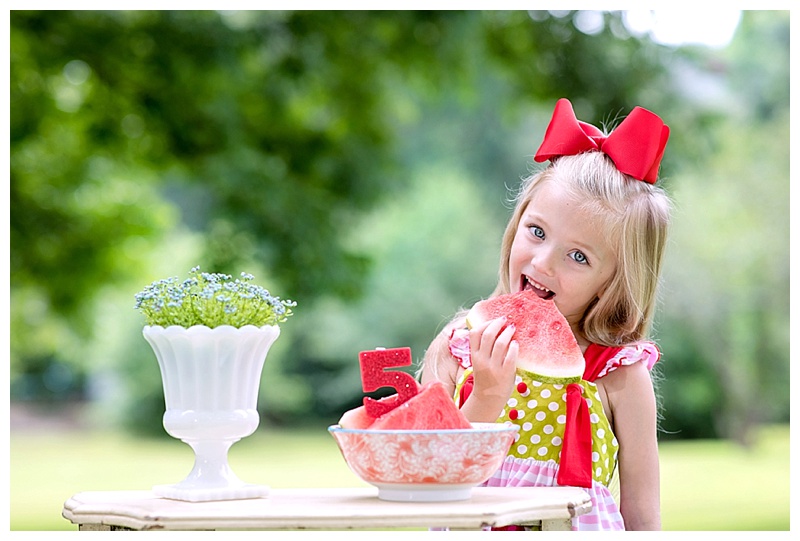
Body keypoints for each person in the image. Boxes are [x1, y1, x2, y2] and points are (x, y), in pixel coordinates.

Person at [419, 98, 671, 531]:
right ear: (516, 223)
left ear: (614, 282)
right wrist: (486, 397)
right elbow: (428, 469)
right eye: (536, 232)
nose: (541, 264)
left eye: (578, 256)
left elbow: (643, 515)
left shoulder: (619, 374)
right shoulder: (457, 346)